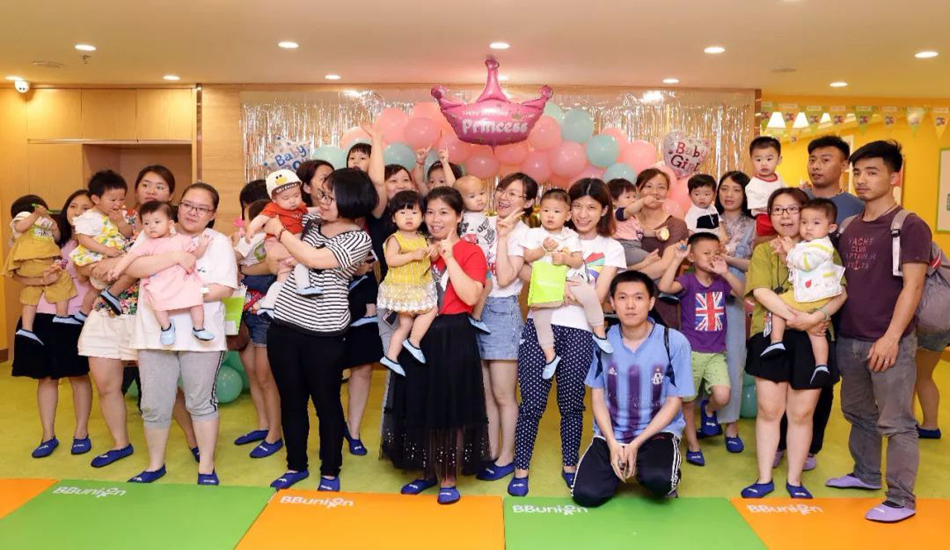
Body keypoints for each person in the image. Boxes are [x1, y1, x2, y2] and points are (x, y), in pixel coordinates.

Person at [827, 141, 930, 523]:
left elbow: (913, 287)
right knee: (857, 412)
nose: (862, 180)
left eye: (872, 172)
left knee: (897, 422)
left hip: (890, 341)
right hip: (849, 336)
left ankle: (901, 499)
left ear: (894, 176)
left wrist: (891, 337)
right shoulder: (849, 226)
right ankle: (866, 474)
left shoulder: (909, 225)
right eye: (858, 172)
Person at [510, 178, 625, 497]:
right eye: (577, 206)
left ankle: (570, 466)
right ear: (567, 209)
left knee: (572, 404)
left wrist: (554, 291)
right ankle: (521, 469)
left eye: (592, 207)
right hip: (540, 326)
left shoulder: (611, 248)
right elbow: (524, 273)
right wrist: (562, 291)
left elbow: (598, 297)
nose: (583, 214)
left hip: (580, 332)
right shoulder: (546, 235)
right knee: (531, 403)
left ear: (604, 210)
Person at [77, 169, 198, 469]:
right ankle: (121, 443)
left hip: (149, 312)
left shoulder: (174, 229)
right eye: (145, 184)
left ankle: (195, 440)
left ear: (171, 195)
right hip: (107, 311)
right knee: (105, 383)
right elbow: (83, 264)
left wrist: (119, 263)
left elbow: (151, 264)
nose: (151, 190)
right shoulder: (114, 218)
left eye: (160, 186)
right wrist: (99, 265)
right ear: (135, 189)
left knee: (164, 386)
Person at [265, 168, 376, 492]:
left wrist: (281, 234)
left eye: (331, 197)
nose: (322, 201)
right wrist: (279, 235)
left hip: (324, 333)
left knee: (326, 403)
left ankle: (330, 470)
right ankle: (296, 465)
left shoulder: (359, 238)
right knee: (291, 401)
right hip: (285, 324)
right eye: (322, 194)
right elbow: (275, 249)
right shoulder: (311, 221)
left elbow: (313, 259)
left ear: (351, 201)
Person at [380, 186, 490, 505]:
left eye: (444, 212)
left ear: (459, 216)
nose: (435, 219)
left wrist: (450, 257)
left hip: (453, 333)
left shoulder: (471, 252)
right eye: (429, 212)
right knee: (419, 400)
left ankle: (448, 476)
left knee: (450, 405)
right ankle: (426, 470)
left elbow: (470, 296)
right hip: (419, 333)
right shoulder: (416, 245)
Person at [124, 183, 238, 485]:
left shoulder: (218, 243)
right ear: (178, 205)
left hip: (201, 338)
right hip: (154, 334)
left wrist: (178, 293)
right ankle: (155, 465)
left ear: (212, 214)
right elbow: (134, 268)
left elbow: (225, 288)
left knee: (200, 402)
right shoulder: (153, 232)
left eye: (202, 208)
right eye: (188, 205)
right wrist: (176, 258)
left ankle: (206, 466)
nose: (192, 212)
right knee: (154, 403)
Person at [742, 187, 847, 500]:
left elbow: (841, 292)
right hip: (771, 333)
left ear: (805, 213)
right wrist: (796, 317)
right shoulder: (764, 251)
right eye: (778, 210)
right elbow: (761, 292)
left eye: (792, 209)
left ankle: (795, 481)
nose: (785, 216)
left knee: (802, 414)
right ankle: (764, 478)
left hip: (813, 338)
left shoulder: (824, 248)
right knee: (768, 410)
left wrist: (816, 318)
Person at [776, 135, 861, 470]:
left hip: (830, 302)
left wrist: (825, 311)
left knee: (820, 375)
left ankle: (810, 447)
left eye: (826, 159)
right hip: (794, 298)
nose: (816, 165)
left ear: (844, 165)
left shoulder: (854, 206)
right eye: (813, 159)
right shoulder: (799, 198)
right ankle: (781, 441)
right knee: (784, 371)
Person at [571, 271, 693, 506]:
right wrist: (613, 443)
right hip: (613, 433)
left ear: (651, 302)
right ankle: (621, 463)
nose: (630, 305)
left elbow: (674, 401)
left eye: (638, 298)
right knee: (585, 494)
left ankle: (645, 465)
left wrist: (636, 445)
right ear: (612, 303)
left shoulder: (674, 341)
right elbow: (597, 398)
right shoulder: (601, 341)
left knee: (660, 481)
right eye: (622, 298)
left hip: (656, 432)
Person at [12, 190, 94, 458]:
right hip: (40, 316)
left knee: (77, 376)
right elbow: (20, 275)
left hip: (72, 317)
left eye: (85, 208)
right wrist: (42, 280)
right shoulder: (45, 237)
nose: (78, 212)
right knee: (45, 378)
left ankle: (81, 432)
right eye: (73, 206)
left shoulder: (94, 241)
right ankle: (48, 435)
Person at [473, 173, 539, 482]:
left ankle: (507, 456)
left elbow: (503, 277)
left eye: (514, 194)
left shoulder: (524, 234)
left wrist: (502, 237)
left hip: (503, 313)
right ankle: (490, 451)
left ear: (528, 203)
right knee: (486, 393)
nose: (504, 197)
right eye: (502, 190)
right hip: (477, 310)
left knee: (503, 394)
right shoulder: (485, 223)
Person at [658, 233, 744, 468]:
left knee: (723, 395)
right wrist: (677, 259)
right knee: (687, 401)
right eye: (706, 253)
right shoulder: (687, 281)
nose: (711, 257)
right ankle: (694, 446)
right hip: (691, 352)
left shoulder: (721, 282)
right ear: (693, 257)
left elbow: (743, 293)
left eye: (716, 253)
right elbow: (664, 286)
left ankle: (709, 409)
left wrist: (726, 272)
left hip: (716, 352)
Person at [521, 189, 614, 379]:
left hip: (571, 279)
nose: (550, 215)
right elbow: (528, 257)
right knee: (540, 320)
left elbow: (578, 262)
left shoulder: (570, 236)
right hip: (545, 282)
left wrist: (565, 259)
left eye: (556, 211)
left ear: (567, 215)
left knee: (590, 296)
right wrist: (543, 249)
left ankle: (599, 332)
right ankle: (550, 356)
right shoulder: (534, 233)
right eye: (546, 210)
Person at [761, 199, 845, 388]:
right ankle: (821, 366)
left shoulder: (822, 246)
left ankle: (776, 341)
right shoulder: (808, 244)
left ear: (831, 228)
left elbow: (805, 263)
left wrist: (790, 250)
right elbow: (794, 264)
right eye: (804, 222)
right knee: (816, 334)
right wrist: (784, 254)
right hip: (816, 296)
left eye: (816, 223)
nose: (808, 227)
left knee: (778, 305)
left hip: (812, 294)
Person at [107, 201, 215, 345]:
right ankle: (166, 327)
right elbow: (130, 257)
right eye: (146, 223)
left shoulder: (182, 240)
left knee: (196, 299)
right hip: (160, 282)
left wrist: (202, 246)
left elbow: (194, 255)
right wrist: (117, 270)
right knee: (156, 302)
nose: (151, 226)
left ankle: (198, 327)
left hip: (182, 280)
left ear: (170, 224)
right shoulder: (147, 244)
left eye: (157, 222)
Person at [232, 180, 284, 456]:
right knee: (252, 372)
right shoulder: (244, 238)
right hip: (245, 310)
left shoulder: (279, 235)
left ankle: (275, 434)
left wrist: (243, 268)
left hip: (266, 313)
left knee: (266, 376)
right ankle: (263, 425)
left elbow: (272, 266)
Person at [714, 171, 756, 452]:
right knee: (701, 357)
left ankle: (731, 424)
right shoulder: (706, 219)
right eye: (724, 189)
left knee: (734, 359)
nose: (729, 195)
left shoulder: (754, 226)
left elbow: (755, 264)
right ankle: (706, 415)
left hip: (736, 297)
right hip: (704, 296)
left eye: (736, 190)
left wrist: (726, 259)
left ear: (745, 194)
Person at [377, 190, 438, 375]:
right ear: (393, 218)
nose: (409, 217)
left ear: (422, 216)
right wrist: (412, 255)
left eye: (414, 212)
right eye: (402, 213)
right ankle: (414, 342)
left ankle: (391, 356)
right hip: (404, 289)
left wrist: (433, 251)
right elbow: (391, 260)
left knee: (405, 325)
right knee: (431, 309)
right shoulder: (395, 239)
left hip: (416, 287)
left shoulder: (423, 239)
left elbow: (431, 258)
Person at [4, 195, 80, 343]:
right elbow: (19, 227)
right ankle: (62, 315)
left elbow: (56, 238)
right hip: (34, 260)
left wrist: (54, 228)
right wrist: (35, 215)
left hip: (37, 264)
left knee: (31, 293)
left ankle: (26, 328)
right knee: (62, 277)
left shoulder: (43, 222)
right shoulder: (25, 217)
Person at [246, 170, 318, 315]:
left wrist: (321, 209)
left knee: (283, 277)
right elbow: (261, 219)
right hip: (278, 243)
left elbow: (308, 211)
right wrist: (251, 229)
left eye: (296, 195)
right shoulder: (273, 208)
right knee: (301, 260)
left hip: (290, 245)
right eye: (286, 198)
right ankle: (303, 286)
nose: (292, 201)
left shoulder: (299, 207)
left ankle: (268, 304)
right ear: (274, 199)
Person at [70, 170, 136, 315]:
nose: (118, 204)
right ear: (96, 199)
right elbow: (83, 239)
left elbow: (128, 234)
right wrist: (106, 250)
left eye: (122, 199)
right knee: (101, 285)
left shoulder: (122, 214)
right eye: (113, 200)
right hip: (96, 256)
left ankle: (83, 313)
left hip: (113, 256)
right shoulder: (89, 217)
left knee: (96, 289)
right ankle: (103, 300)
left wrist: (120, 222)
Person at [633, 168, 690, 329]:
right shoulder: (627, 222)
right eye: (648, 186)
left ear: (667, 192)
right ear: (638, 189)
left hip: (661, 301)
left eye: (661, 187)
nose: (654, 192)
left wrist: (626, 279)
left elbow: (665, 265)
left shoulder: (676, 225)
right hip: (625, 301)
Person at [456, 175, 495, 331]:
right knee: (485, 286)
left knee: (487, 286)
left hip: (481, 261)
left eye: (481, 193)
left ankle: (475, 316)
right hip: (475, 262)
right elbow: (468, 241)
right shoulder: (468, 219)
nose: (479, 198)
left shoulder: (479, 214)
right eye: (472, 196)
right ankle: (475, 316)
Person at [607, 178, 659, 269]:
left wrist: (655, 233)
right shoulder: (617, 213)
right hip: (624, 247)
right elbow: (629, 211)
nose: (632, 200)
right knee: (654, 261)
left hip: (633, 247)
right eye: (628, 197)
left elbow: (641, 231)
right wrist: (642, 201)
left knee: (654, 262)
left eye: (634, 196)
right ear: (614, 201)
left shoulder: (633, 217)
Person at [745, 137, 786, 238]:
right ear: (751, 161)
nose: (763, 164)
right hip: (765, 219)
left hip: (781, 215)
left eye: (769, 159)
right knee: (769, 242)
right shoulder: (753, 185)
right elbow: (759, 206)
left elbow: (785, 192)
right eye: (758, 160)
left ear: (779, 160)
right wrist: (779, 207)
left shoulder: (778, 176)